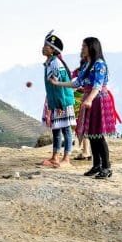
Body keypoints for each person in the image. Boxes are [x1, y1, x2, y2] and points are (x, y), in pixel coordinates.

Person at [50, 37, 120, 179]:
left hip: (98, 100)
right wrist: (58, 84)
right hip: (90, 99)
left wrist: (89, 99)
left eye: (84, 46)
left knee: (99, 135)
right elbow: (77, 83)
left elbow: (98, 85)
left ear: (92, 47)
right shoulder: (87, 64)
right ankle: (96, 165)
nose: (82, 48)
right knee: (92, 134)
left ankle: (107, 167)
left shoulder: (100, 64)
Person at [40, 31, 75, 168]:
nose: (43, 48)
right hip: (56, 101)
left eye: (46, 46)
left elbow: (58, 86)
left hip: (63, 101)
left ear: (53, 50)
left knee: (66, 129)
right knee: (56, 129)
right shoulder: (50, 62)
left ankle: (66, 158)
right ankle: (55, 157)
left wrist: (60, 104)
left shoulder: (55, 63)